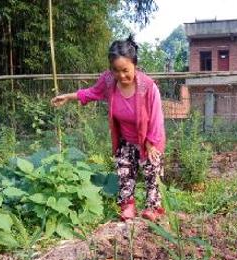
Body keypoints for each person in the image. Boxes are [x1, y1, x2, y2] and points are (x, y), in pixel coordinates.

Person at [51, 35, 166, 222]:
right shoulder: (108, 81)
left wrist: (151, 144)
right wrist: (69, 96)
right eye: (115, 70)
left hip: (149, 139)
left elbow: (156, 118)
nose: (121, 75)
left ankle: (153, 207)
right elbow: (92, 92)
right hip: (126, 138)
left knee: (151, 172)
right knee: (124, 171)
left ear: (134, 65)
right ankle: (128, 206)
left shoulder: (147, 86)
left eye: (125, 70)